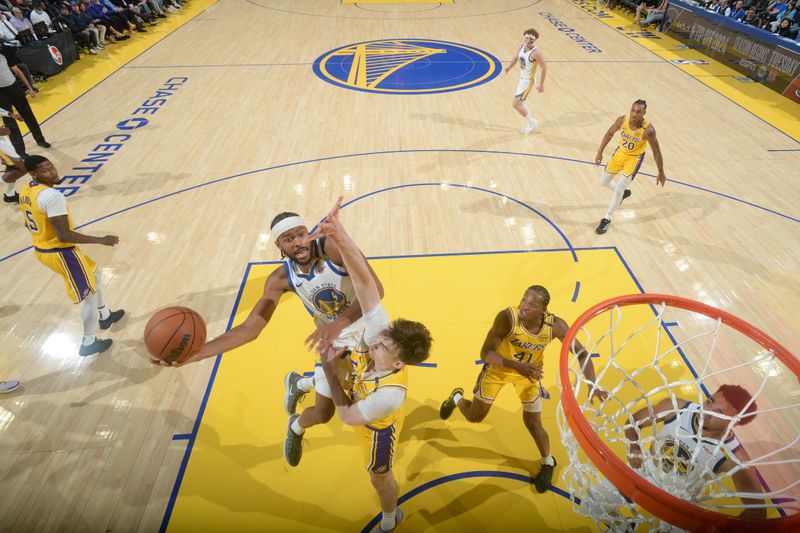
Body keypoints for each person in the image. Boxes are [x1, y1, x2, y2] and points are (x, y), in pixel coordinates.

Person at [162, 209, 383, 468]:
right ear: (279, 245)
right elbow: (250, 329)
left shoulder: (333, 248)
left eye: (301, 234)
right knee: (324, 414)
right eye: (288, 239)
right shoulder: (280, 279)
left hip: (366, 326)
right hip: (332, 342)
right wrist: (196, 354)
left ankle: (301, 383)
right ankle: (296, 426)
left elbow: (376, 290)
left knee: (364, 391)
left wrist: (339, 323)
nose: (298, 242)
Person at [305, 196, 432, 533]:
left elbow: (347, 416)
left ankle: (390, 520)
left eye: (383, 345)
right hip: (362, 387)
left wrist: (328, 366)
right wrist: (340, 234)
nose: (376, 339)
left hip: (377, 428)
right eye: (382, 338)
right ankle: (305, 382)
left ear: (399, 360)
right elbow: (365, 284)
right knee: (346, 346)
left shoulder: (389, 395)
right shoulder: (384, 336)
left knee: (379, 478)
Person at [439, 285, 606, 493]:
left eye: (532, 304)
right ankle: (456, 398)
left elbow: (582, 354)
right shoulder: (507, 318)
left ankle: (547, 462)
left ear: (543, 310)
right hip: (499, 369)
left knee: (533, 423)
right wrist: (518, 366)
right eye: (524, 300)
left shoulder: (555, 326)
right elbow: (485, 353)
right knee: (475, 417)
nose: (524, 306)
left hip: (529, 374)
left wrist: (591, 383)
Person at [581, 385, 765, 522]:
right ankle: (623, 526)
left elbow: (757, 512)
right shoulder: (676, 408)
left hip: (680, 499)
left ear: (734, 422)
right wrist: (634, 447)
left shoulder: (733, 456)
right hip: (646, 470)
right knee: (592, 504)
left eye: (718, 412)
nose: (706, 410)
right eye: (709, 401)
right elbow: (634, 420)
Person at [20, 155, 125, 356]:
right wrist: (101, 240)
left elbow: (27, 222)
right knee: (89, 297)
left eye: (51, 167)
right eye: (45, 170)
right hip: (60, 252)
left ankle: (105, 315)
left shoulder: (26, 190)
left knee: (95, 274)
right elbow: (64, 235)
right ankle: (88, 342)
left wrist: (42, 234)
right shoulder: (52, 196)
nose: (52, 172)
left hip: (43, 249)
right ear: (34, 174)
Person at [593, 99, 666, 235]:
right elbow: (609, 134)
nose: (634, 114)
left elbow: (656, 151)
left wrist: (661, 172)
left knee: (620, 188)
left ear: (644, 113)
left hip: (634, 159)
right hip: (620, 153)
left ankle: (607, 218)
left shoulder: (648, 130)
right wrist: (599, 152)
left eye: (638, 112)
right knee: (603, 182)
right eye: (633, 110)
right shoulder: (622, 120)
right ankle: (622, 194)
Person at [0, 48, 50, 157]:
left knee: (28, 115)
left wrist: (30, 88)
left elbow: (17, 70)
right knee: (10, 122)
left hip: (14, 87)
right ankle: (20, 152)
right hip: (1, 94)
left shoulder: (3, 52)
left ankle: (40, 140)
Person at [504, 28, 547, 134]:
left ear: (533, 39)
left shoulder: (536, 52)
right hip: (521, 79)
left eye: (529, 37)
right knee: (520, 103)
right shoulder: (522, 46)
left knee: (515, 104)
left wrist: (541, 84)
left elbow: (544, 67)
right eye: (526, 36)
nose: (526, 38)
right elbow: (516, 57)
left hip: (528, 82)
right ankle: (531, 122)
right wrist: (510, 66)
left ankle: (532, 122)